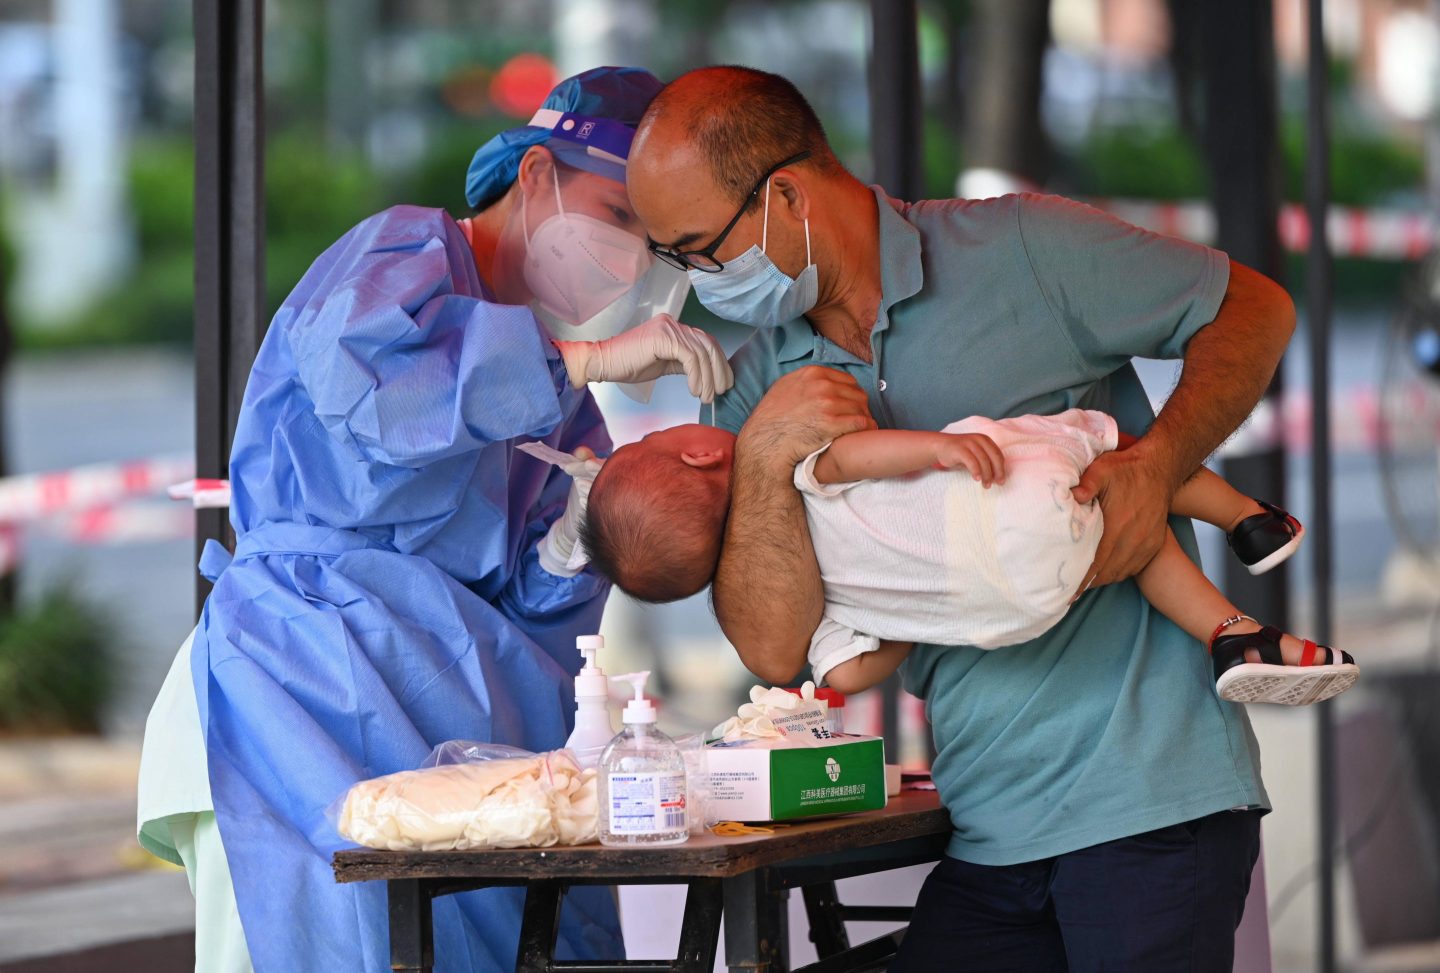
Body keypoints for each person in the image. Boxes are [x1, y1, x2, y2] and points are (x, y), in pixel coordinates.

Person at [625, 65, 1297, 971]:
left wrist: (1158, 464)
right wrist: (764, 448)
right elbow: (777, 652)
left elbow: (1254, 307)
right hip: (985, 820)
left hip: (1151, 800)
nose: (701, 281)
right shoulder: (751, 390)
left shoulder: (1021, 248)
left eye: (701, 249)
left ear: (785, 197)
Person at [135, 66, 732, 973]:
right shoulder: (408, 249)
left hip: (449, 719)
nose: (629, 259)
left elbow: (540, 623)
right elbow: (373, 393)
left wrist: (571, 543)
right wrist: (575, 360)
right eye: (617, 213)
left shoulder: (567, 413)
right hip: (290, 683)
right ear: (538, 174)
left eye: (652, 244)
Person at [577, 410, 1357, 706]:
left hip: (1020, 606)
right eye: (658, 436)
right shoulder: (793, 475)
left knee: (1132, 539)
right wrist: (938, 448)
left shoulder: (811, 604)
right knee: (1124, 470)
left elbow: (848, 674)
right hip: (1012, 492)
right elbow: (851, 458)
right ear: (698, 455)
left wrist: (906, 612)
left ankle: (1232, 632)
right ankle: (1247, 517)